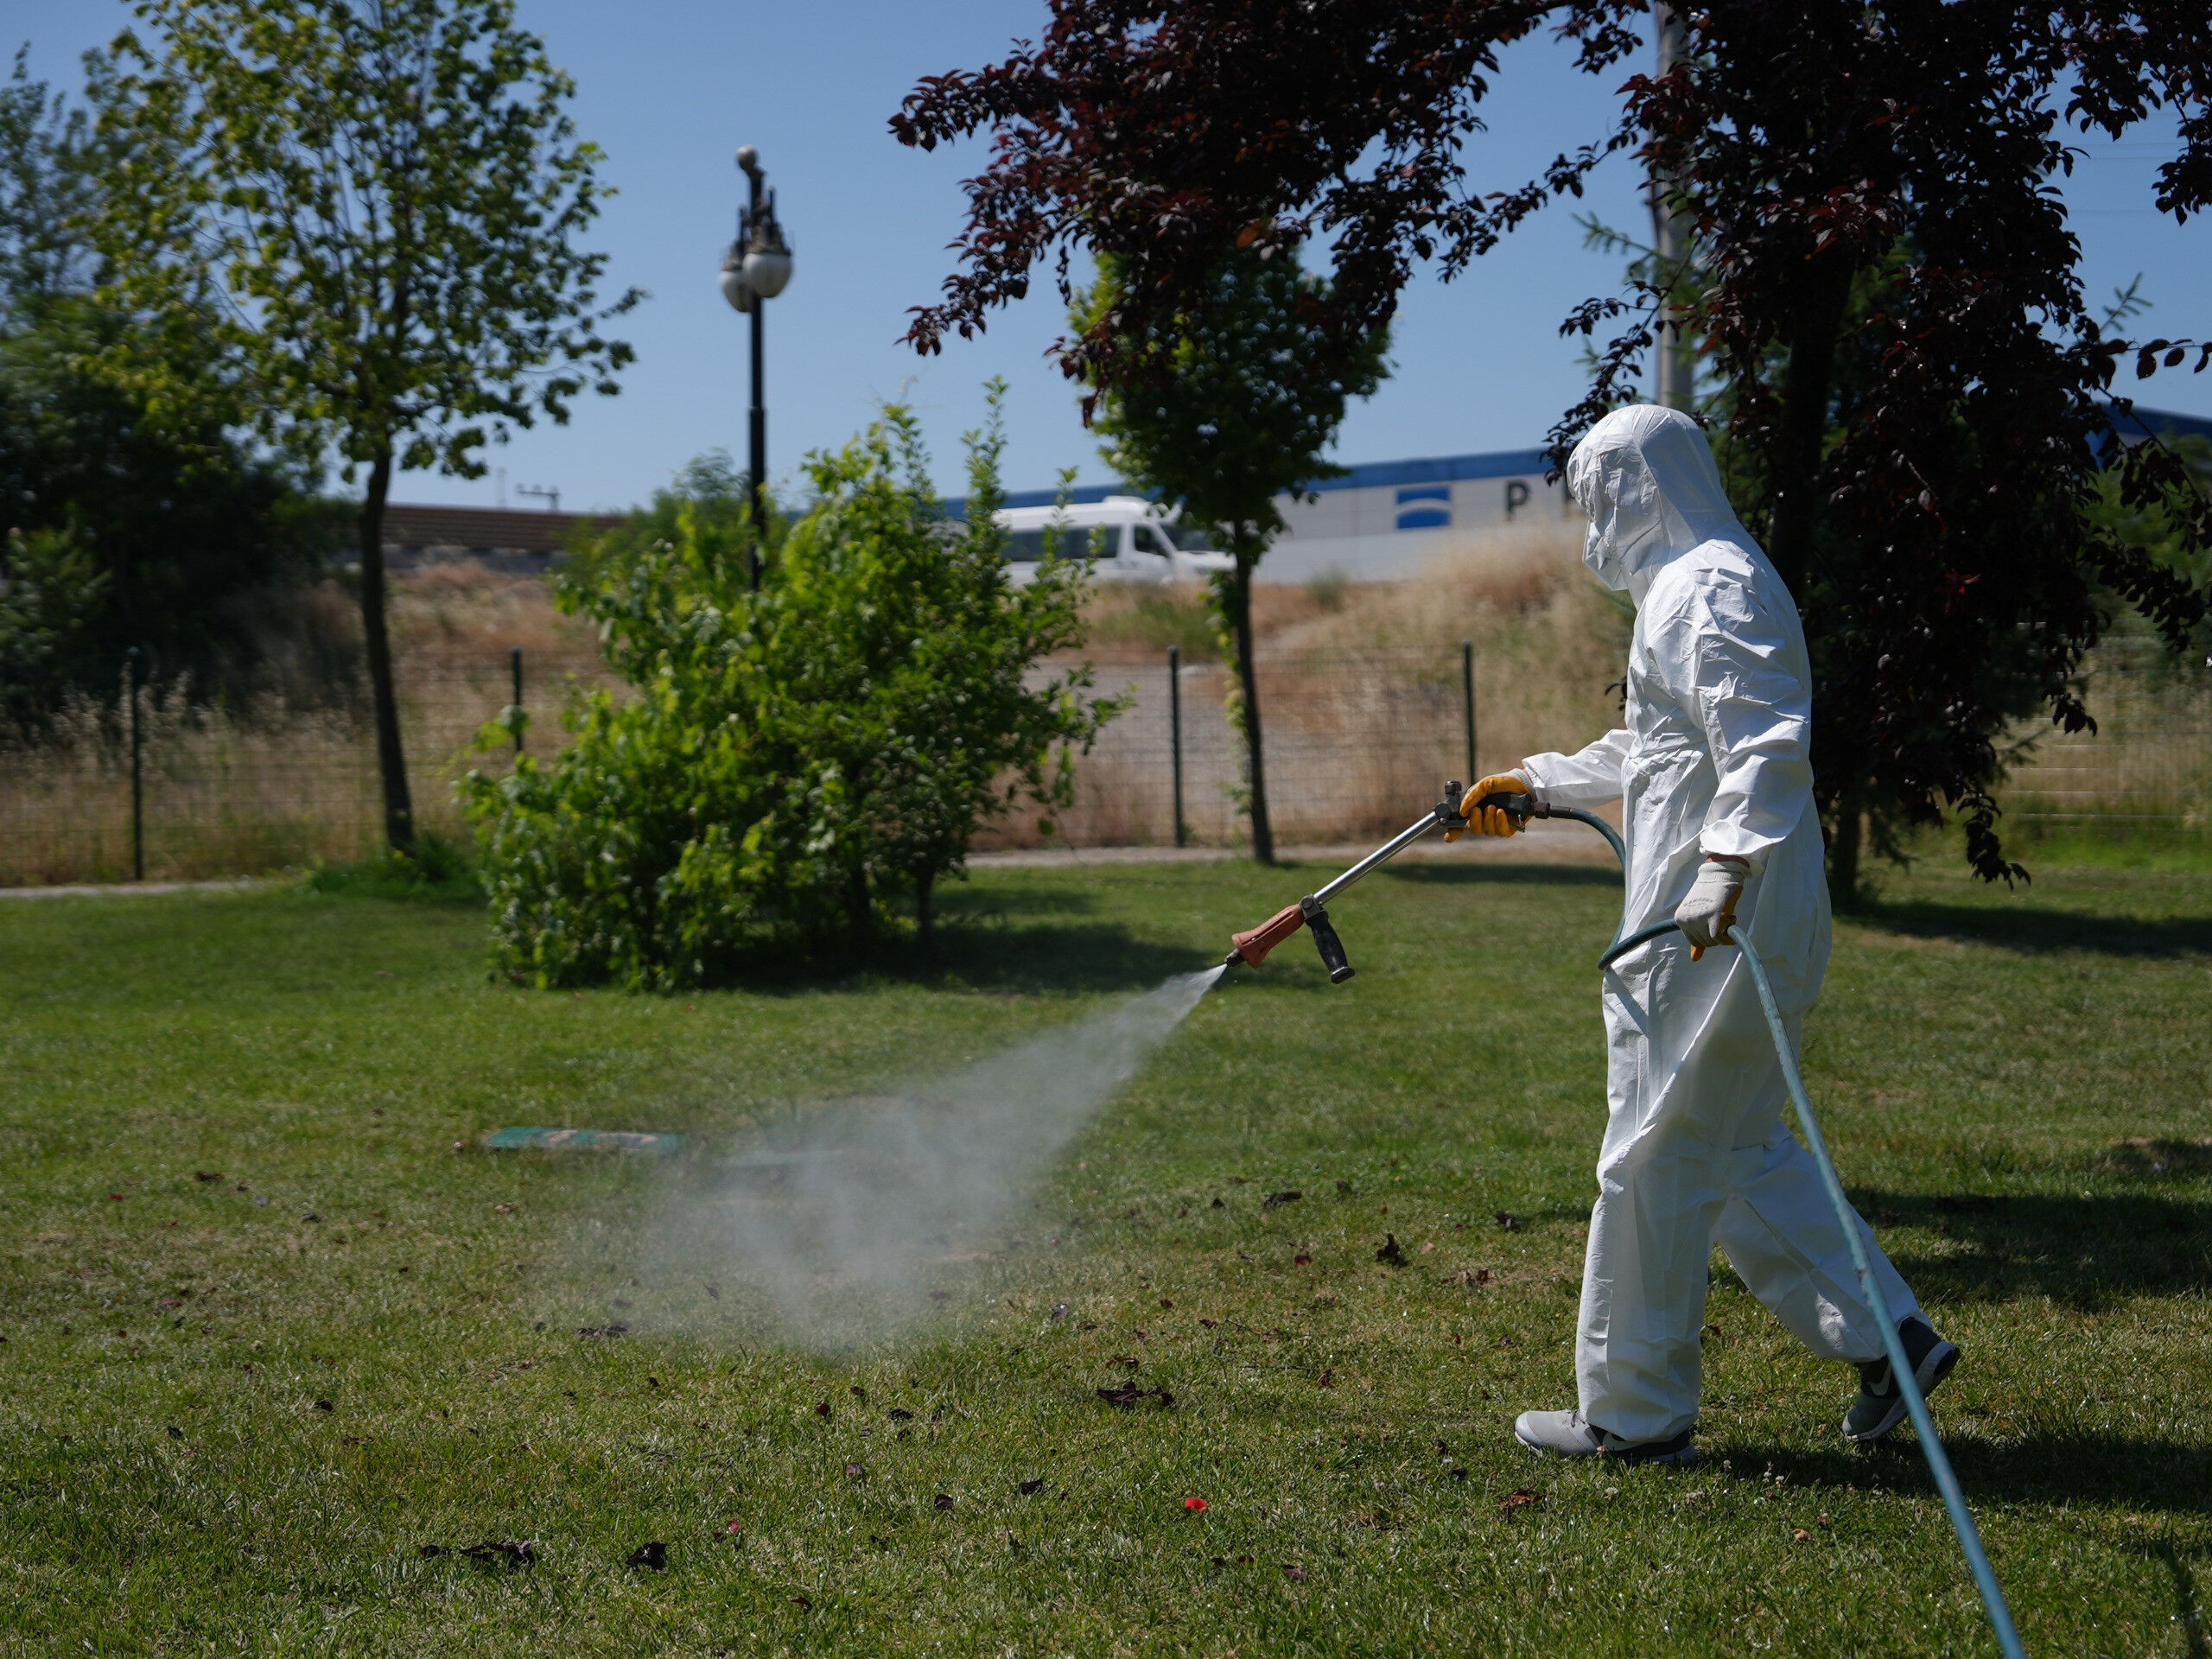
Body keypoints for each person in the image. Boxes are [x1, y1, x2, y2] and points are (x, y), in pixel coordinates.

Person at [1459, 404, 1955, 1465]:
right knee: (1728, 1151)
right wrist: (1538, 783)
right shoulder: (1690, 586)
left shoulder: (1710, 585)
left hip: (1714, 922)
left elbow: (1767, 735)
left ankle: (1632, 1416)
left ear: (1640, 485)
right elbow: (1658, 745)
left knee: (1647, 1160)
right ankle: (1892, 1340)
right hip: (1726, 913)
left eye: (1596, 496)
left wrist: (1723, 865)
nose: (1589, 520)